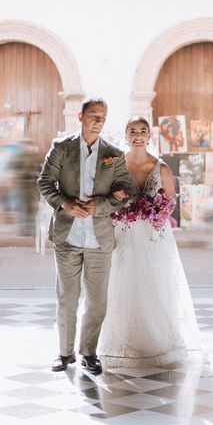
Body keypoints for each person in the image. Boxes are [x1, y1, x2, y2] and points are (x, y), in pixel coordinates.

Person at [37, 97, 133, 375]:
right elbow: (45, 181)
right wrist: (64, 203)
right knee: (67, 297)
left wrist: (100, 205)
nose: (98, 120)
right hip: (67, 237)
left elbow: (125, 187)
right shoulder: (61, 148)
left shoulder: (113, 153)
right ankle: (65, 353)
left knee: (98, 301)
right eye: (93, 115)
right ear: (80, 116)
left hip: (100, 239)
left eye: (102, 116)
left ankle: (89, 353)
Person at [98, 116, 202, 368]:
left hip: (153, 235)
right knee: (122, 281)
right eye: (132, 131)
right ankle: (118, 340)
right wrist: (114, 197)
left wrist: (156, 211)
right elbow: (101, 194)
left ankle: (158, 340)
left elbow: (171, 202)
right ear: (125, 135)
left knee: (154, 281)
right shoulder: (113, 164)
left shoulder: (161, 167)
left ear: (149, 136)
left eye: (143, 131)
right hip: (122, 232)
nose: (138, 135)